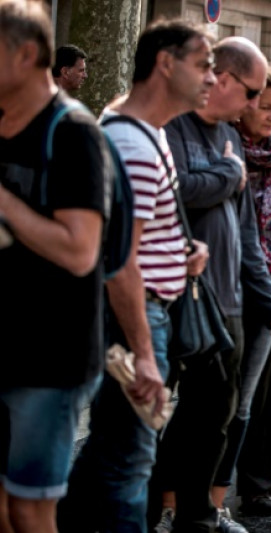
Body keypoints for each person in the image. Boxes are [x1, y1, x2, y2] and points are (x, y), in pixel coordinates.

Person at [57, 20, 214, 533]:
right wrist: (145, 354)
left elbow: (139, 235)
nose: (211, 78)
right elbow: (119, 258)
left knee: (110, 450)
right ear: (166, 65)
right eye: (203, 65)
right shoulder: (133, 144)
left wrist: (179, 247)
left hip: (143, 311)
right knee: (130, 461)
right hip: (136, 315)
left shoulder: (147, 134)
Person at [157, 37, 271, 532]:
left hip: (231, 302)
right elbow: (175, 191)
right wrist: (228, 173)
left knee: (215, 413)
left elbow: (247, 239)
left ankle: (196, 516)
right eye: (254, 95)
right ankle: (150, 508)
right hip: (170, 295)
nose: (256, 108)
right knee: (145, 419)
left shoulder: (225, 138)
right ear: (222, 78)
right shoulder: (174, 127)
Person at [0, 2, 107, 531]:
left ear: (24, 55)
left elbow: (79, 249)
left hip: (50, 358)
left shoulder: (72, 132)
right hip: (5, 344)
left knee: (30, 507)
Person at [208, 66, 271, 523]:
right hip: (220, 293)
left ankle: (246, 490)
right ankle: (188, 498)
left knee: (254, 402)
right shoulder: (220, 147)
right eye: (264, 106)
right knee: (214, 402)